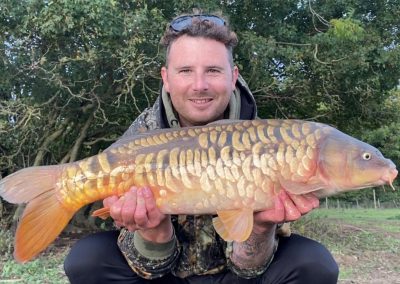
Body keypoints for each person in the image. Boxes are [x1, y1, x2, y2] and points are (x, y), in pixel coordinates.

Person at [64, 13, 339, 283]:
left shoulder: (267, 144)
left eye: (213, 70)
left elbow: (249, 268)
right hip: (167, 274)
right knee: (88, 259)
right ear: (166, 78)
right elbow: (148, 268)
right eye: (185, 71)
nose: (199, 85)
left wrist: (262, 226)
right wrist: (155, 230)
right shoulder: (139, 140)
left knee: (312, 264)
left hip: (235, 275)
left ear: (233, 77)